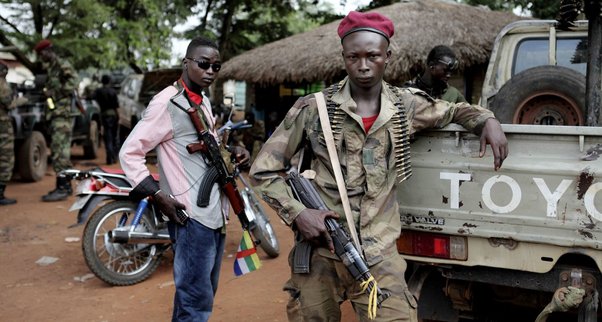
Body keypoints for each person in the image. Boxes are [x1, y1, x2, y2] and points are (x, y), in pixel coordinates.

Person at [249, 11, 508, 321]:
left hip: (379, 257)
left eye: (372, 55)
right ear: (343, 56)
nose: (363, 65)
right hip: (321, 255)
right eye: (353, 56)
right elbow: (264, 170)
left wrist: (486, 120)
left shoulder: (405, 106)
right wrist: (299, 213)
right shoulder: (313, 108)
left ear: (388, 55)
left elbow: (453, 111)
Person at [119, 36, 249, 322]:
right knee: (195, 300)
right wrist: (158, 195)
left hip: (214, 212)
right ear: (186, 63)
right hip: (190, 217)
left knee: (200, 294)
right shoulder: (167, 102)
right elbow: (130, 153)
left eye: (216, 66)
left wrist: (232, 151)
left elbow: (208, 150)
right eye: (203, 64)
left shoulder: (201, 102)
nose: (210, 71)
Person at [35, 39, 79, 202]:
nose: (41, 58)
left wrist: (54, 93)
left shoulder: (61, 64)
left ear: (47, 51)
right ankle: (64, 186)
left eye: (41, 54)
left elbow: (73, 81)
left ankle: (63, 188)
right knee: (59, 151)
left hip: (62, 116)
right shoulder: (52, 67)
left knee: (60, 153)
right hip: (56, 115)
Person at [0, 61, 18, 205]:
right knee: (6, 160)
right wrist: (22, 100)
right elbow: (8, 103)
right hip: (3, 128)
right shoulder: (2, 85)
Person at [93, 74, 120, 164]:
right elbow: (117, 106)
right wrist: (118, 117)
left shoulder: (98, 91)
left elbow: (92, 98)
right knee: (114, 137)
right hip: (114, 115)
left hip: (104, 116)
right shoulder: (113, 91)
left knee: (107, 137)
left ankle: (109, 158)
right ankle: (114, 157)